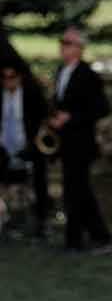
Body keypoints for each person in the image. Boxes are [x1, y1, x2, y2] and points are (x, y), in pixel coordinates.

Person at [51, 24, 112, 253]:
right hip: (65, 143)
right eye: (62, 43)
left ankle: (75, 240)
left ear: (79, 48)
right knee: (78, 191)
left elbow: (101, 108)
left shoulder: (89, 75)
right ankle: (98, 236)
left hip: (81, 143)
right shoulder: (60, 72)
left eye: (67, 43)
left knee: (76, 192)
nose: (62, 47)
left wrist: (71, 117)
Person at [0, 51, 52, 238]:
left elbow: (44, 119)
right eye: (4, 78)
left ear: (19, 77)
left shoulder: (31, 94)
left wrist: (32, 145)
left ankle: (42, 221)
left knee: (39, 182)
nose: (8, 81)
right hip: (4, 147)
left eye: (11, 77)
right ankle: (7, 220)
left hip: (30, 145)